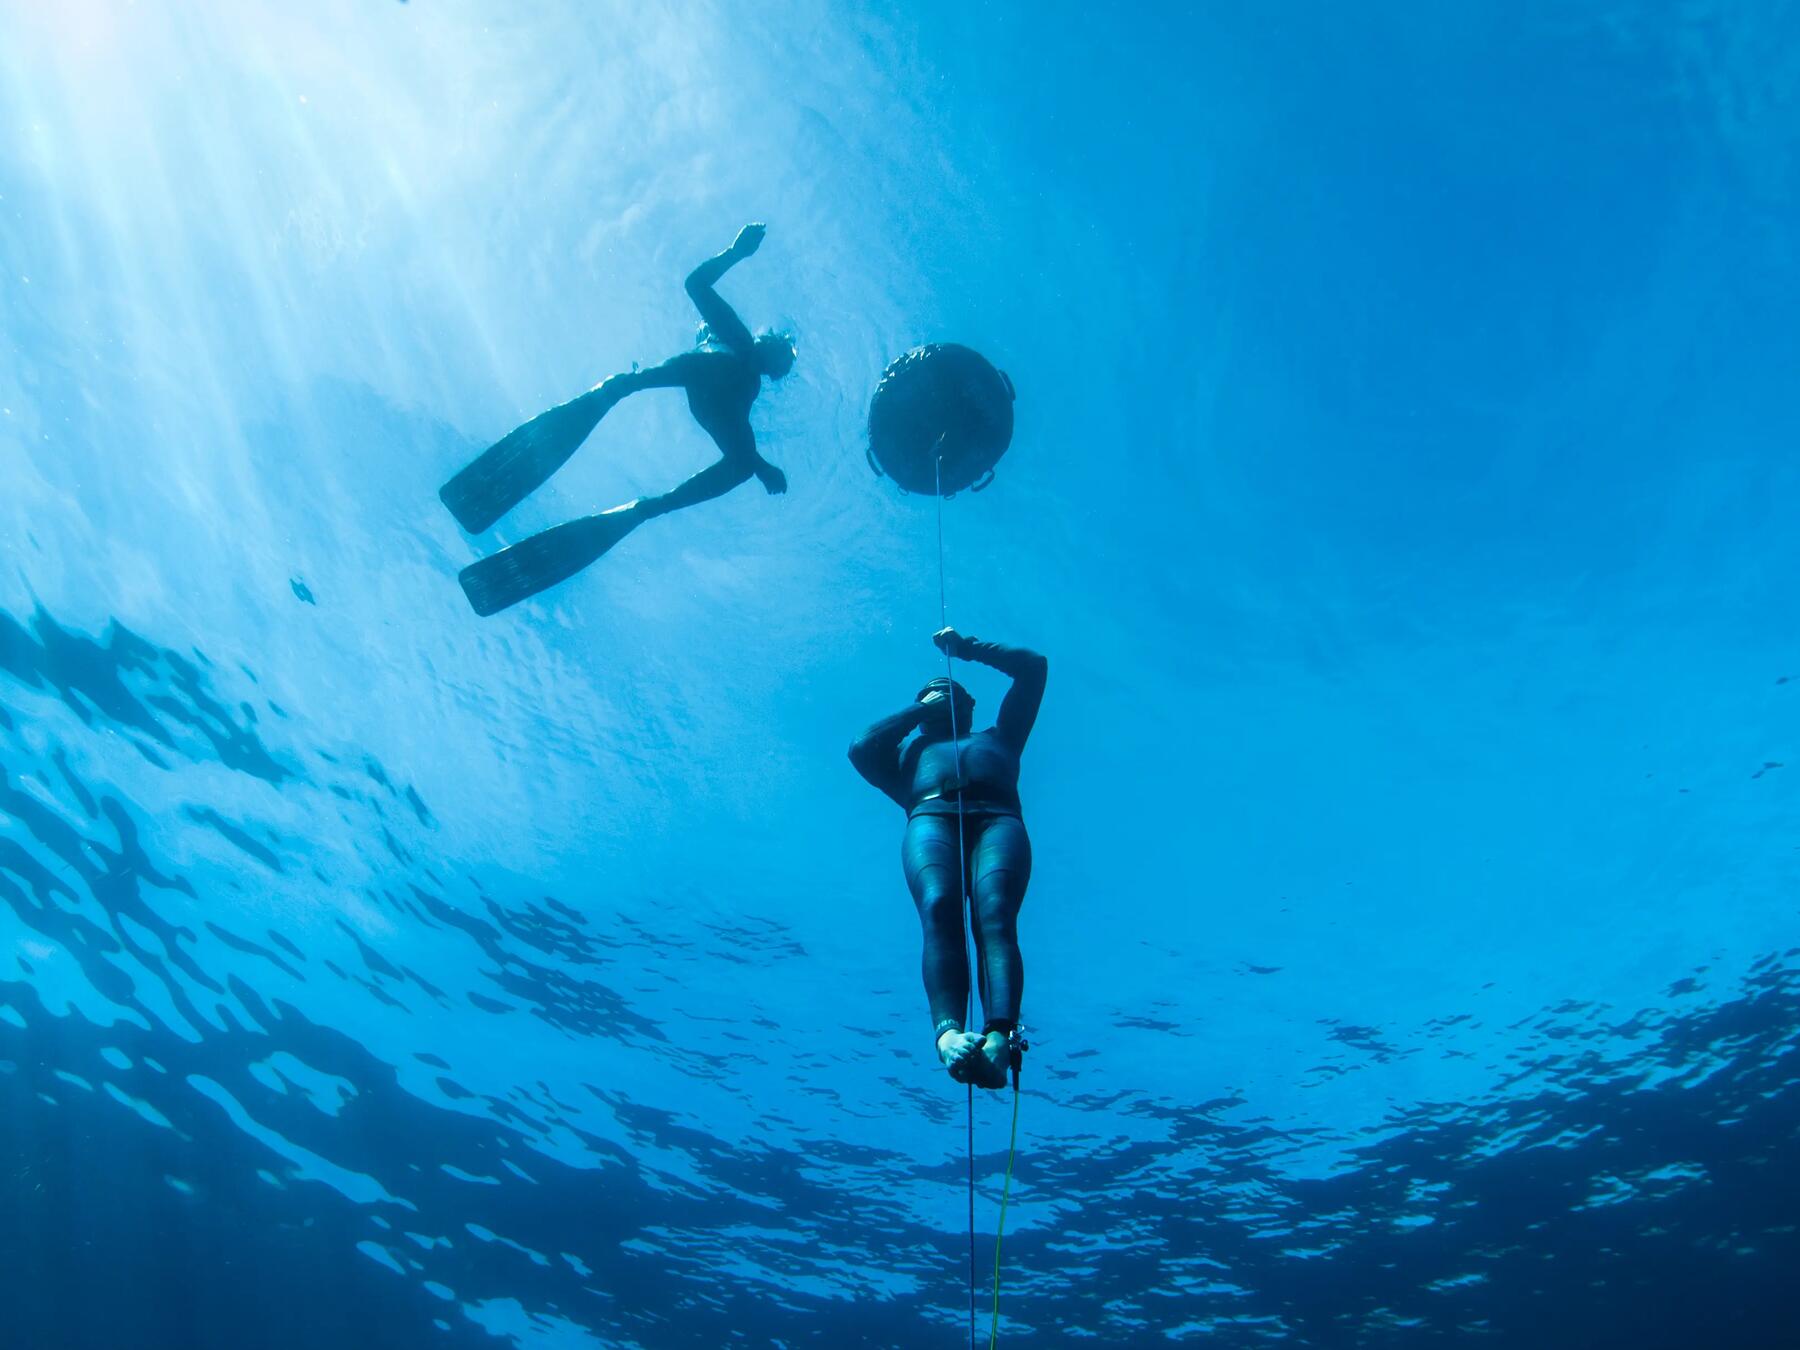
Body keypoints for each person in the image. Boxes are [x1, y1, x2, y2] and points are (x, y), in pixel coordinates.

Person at [444, 222, 796, 616]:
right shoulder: (739, 338)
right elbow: (695, 284)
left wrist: (760, 466)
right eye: (781, 349)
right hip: (706, 371)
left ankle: (649, 505)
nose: (780, 359)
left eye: (783, 361)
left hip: (717, 400)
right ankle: (621, 387)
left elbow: (738, 438)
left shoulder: (752, 382)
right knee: (735, 430)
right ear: (769, 343)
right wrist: (736, 251)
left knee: (744, 465)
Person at [849, 627, 1047, 1089]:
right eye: (930, 697)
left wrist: (970, 649)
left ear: (972, 707)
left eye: (952, 694)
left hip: (998, 817)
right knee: (939, 908)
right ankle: (947, 1034)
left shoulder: (1002, 738)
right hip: (928, 816)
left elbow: (1033, 667)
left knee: (994, 914)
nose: (942, 697)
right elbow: (860, 748)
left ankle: (999, 1040)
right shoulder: (902, 759)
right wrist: (922, 709)